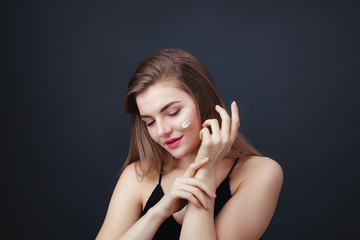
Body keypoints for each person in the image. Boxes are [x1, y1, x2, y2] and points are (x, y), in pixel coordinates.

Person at [96, 48, 283, 240]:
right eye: (149, 122)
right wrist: (158, 212)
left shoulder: (260, 173)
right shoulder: (139, 176)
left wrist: (205, 168)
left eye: (173, 112)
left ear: (203, 99)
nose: (162, 131)